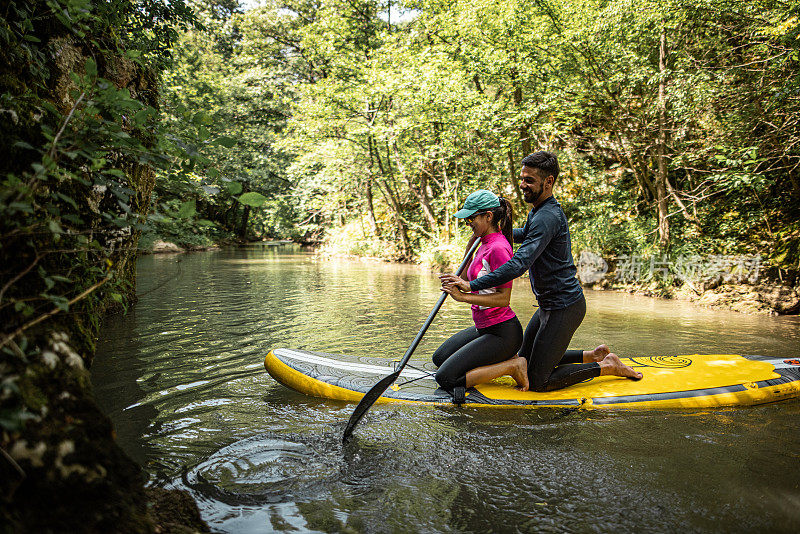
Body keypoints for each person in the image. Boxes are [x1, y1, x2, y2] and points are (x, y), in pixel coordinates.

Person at [440, 151, 642, 392]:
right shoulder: (539, 210)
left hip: (564, 307)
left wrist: (470, 286)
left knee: (538, 381)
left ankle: (607, 366)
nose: (523, 185)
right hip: (548, 304)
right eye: (522, 178)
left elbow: (519, 264)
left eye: (529, 180)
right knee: (527, 356)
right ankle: (591, 355)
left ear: (549, 182)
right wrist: (489, 233)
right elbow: (524, 234)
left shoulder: (548, 216)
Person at [432, 190, 528, 401]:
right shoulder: (483, 243)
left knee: (446, 377)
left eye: (471, 218)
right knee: (439, 358)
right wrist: (460, 273)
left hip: (503, 333)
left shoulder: (499, 248)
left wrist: (463, 297)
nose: (468, 223)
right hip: (484, 328)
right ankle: (500, 359)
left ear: (488, 216)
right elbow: (466, 277)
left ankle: (513, 365)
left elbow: (503, 299)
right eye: (467, 219)